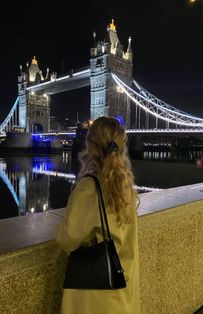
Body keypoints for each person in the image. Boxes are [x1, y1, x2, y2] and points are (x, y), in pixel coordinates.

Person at [54, 116, 140, 314]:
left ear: (90, 146)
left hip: (95, 297)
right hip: (121, 290)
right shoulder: (126, 185)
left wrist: (60, 230)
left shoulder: (89, 188)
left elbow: (68, 239)